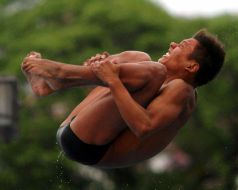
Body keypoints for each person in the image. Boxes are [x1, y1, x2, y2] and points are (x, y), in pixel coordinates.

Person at [21, 29, 225, 168]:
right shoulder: (157, 82)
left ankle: (61, 74)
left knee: (152, 71)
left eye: (181, 45)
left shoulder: (183, 91)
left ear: (191, 67)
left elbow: (143, 127)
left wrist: (113, 80)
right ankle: (52, 84)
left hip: (89, 148)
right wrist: (105, 71)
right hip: (76, 127)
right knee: (139, 58)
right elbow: (112, 110)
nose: (172, 44)